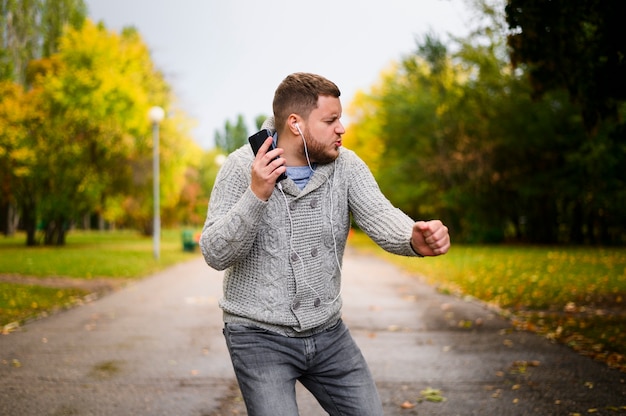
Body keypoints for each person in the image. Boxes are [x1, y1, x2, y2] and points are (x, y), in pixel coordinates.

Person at [200, 72, 450, 416]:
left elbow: (380, 213)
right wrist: (256, 194)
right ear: (296, 124)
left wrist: (413, 237)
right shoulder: (240, 167)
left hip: (328, 333)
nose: (342, 128)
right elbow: (214, 252)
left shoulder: (346, 165)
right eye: (331, 120)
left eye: (340, 119)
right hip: (258, 336)